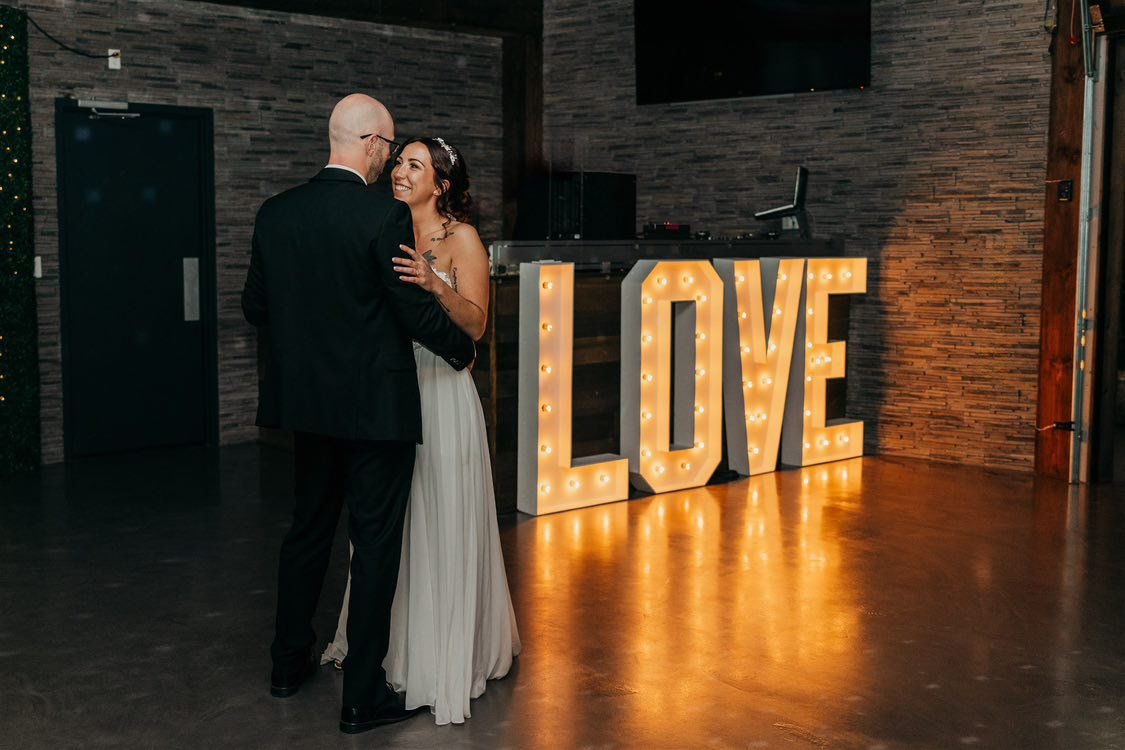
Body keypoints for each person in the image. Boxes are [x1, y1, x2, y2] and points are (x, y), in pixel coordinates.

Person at [241, 95, 475, 735]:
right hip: (374, 408)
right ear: (371, 145)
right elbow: (408, 309)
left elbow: (255, 307)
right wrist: (462, 349)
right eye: (389, 148)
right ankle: (360, 700)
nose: (390, 162)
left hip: (307, 408)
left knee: (308, 530)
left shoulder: (275, 213)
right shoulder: (382, 217)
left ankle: (287, 666)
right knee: (373, 547)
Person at [320, 137, 521, 726]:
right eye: (400, 161)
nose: (400, 172)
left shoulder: (461, 240)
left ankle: (443, 651)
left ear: (443, 185)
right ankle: (383, 647)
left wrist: (437, 285)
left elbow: (478, 326)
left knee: (442, 515)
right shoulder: (383, 226)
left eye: (415, 165)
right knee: (390, 529)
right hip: (384, 392)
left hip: (438, 391)